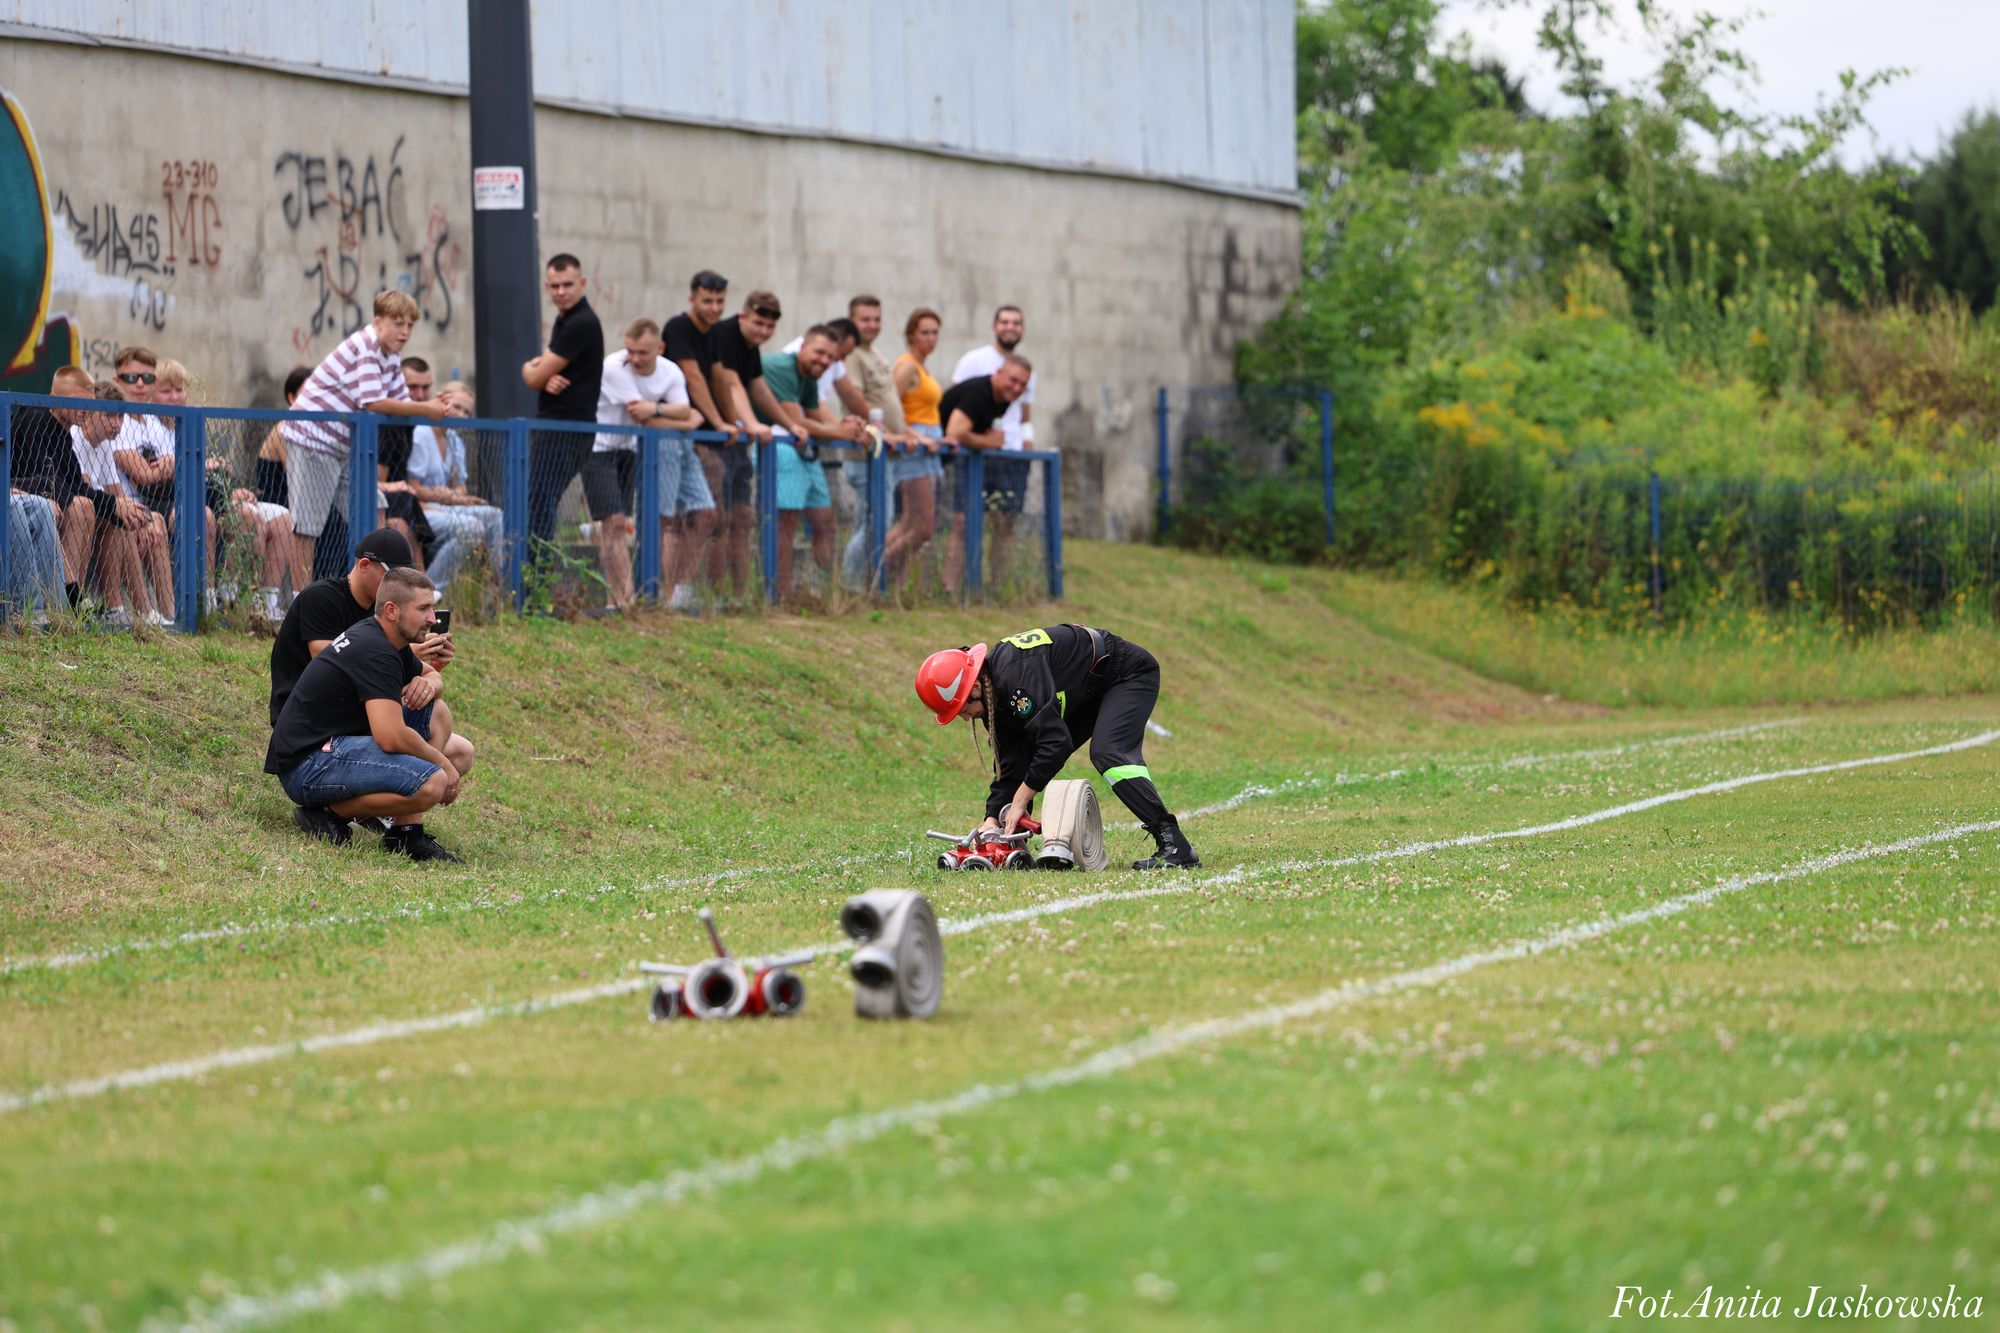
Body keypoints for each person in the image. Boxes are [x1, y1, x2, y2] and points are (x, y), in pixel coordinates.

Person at [914, 626, 1200, 871]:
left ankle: (1174, 845)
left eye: (963, 708)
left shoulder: (1015, 679)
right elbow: (1011, 763)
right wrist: (992, 819)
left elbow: (1055, 743)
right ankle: (1012, 838)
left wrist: (1019, 801)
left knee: (1108, 753)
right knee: (1025, 757)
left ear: (975, 687)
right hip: (1088, 689)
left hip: (1126, 674)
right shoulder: (993, 697)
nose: (965, 717)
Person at [264, 565, 464, 863]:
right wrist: (441, 763)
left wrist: (429, 681)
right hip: (307, 763)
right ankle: (327, 814)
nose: (432, 619)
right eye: (423, 609)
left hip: (335, 745)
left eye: (432, 608)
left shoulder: (387, 641)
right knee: (433, 781)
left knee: (443, 721)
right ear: (392, 610)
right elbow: (390, 736)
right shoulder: (375, 649)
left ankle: (406, 832)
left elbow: (430, 680)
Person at [267, 526, 473, 803]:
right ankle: (358, 809)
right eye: (392, 575)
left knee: (460, 750)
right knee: (431, 772)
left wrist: (427, 676)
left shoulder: (386, 624)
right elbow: (331, 660)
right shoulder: (324, 598)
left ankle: (394, 813)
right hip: (314, 725)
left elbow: (419, 675)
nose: (399, 584)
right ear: (364, 565)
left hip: (357, 713)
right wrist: (410, 651)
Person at [283, 291, 452, 584]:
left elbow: (401, 401)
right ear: (378, 321)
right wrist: (428, 408)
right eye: (398, 323)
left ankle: (373, 593)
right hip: (311, 439)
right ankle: (298, 602)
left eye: (410, 325)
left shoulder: (390, 354)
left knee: (374, 509)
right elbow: (373, 403)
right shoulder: (366, 346)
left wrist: (436, 407)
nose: (405, 331)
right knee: (307, 527)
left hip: (343, 446)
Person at [586, 319, 705, 610]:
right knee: (611, 522)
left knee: (619, 524)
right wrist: (684, 422)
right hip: (598, 449)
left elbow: (681, 408)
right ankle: (624, 599)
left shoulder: (670, 370)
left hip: (628, 450)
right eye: (631, 351)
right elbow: (644, 417)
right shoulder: (615, 366)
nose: (635, 359)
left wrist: (662, 409)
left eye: (643, 353)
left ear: (660, 349)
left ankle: (624, 598)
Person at [8, 365, 140, 614]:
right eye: (79, 403)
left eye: (90, 403)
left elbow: (72, 485)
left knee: (87, 506)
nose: (86, 409)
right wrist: (112, 503)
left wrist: (117, 506)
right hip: (19, 505)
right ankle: (65, 603)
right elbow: (45, 482)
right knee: (80, 506)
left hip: (45, 505)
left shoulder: (64, 433)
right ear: (56, 399)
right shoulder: (34, 421)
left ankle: (73, 605)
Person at [757, 325, 866, 598]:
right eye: (819, 352)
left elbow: (815, 414)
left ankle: (822, 592)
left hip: (803, 449)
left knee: (825, 521)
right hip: (779, 445)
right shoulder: (783, 366)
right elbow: (795, 419)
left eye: (830, 357)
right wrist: (841, 431)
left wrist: (847, 425)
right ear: (802, 346)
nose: (824, 361)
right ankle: (777, 594)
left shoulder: (807, 376)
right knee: (786, 522)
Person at [520, 253, 605, 554]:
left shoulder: (580, 322)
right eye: (554, 286)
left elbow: (532, 377)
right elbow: (544, 372)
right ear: (547, 286)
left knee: (538, 504)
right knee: (538, 502)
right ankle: (533, 580)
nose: (561, 292)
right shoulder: (566, 320)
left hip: (565, 429)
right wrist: (544, 374)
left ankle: (533, 582)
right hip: (562, 426)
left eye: (568, 284)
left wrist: (534, 371)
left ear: (583, 283)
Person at [662, 269, 737, 597]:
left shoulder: (716, 333)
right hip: (673, 433)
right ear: (692, 299)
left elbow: (720, 378)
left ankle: (680, 587)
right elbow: (693, 376)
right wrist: (719, 423)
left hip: (702, 436)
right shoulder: (679, 327)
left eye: (720, 301)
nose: (715, 308)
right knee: (670, 519)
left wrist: (732, 422)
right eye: (708, 301)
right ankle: (661, 588)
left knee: (706, 515)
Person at [705, 289, 784, 599]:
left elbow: (757, 387)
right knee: (718, 520)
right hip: (713, 439)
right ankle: (714, 592)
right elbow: (730, 383)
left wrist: (789, 425)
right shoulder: (724, 334)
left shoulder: (751, 349)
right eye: (758, 323)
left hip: (736, 444)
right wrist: (750, 422)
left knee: (742, 518)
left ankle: (739, 594)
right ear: (742, 317)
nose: (763, 332)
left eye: (769, 327)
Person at [76, 380, 173, 626]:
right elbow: (86, 490)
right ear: (89, 412)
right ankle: (126, 609)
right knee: (121, 518)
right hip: (81, 514)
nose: (116, 424)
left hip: (102, 511)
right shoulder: (76, 438)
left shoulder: (106, 445)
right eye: (109, 416)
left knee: (155, 521)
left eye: (120, 417)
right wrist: (128, 512)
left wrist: (142, 519)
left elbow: (119, 494)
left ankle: (167, 613)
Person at [951, 306, 1038, 573]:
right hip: (974, 451)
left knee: (1005, 522)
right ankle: (954, 586)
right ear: (994, 326)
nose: (1010, 327)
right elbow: (957, 399)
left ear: (1022, 329)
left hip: (1009, 456)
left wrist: (1026, 439)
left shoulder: (1027, 371)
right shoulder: (974, 360)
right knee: (963, 520)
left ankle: (997, 586)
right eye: (1005, 322)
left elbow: (1024, 414)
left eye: (1016, 322)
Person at [937, 355, 1033, 593]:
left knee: (999, 522)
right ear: (998, 373)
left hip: (958, 461)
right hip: (933, 460)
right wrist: (987, 441)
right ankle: (948, 589)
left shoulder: (1002, 398)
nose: (1017, 388)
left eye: (1023, 385)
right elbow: (954, 432)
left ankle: (991, 589)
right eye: (1013, 380)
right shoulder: (978, 394)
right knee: (960, 522)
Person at [406, 383, 503, 597]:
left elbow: (461, 486)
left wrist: (452, 496)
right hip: (422, 509)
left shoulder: (455, 440)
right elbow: (413, 487)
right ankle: (429, 592)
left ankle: (497, 586)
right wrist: (442, 497)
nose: (461, 415)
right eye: (457, 407)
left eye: (467, 412)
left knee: (495, 515)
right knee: (472, 528)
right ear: (443, 402)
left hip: (447, 506)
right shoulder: (422, 433)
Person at [888, 307, 947, 586]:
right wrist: (917, 436)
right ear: (911, 335)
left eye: (935, 332)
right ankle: (878, 570)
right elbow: (891, 408)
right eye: (925, 332)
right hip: (915, 448)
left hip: (929, 445)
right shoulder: (907, 365)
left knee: (914, 523)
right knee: (922, 527)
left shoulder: (923, 367)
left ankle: (893, 585)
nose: (931, 338)